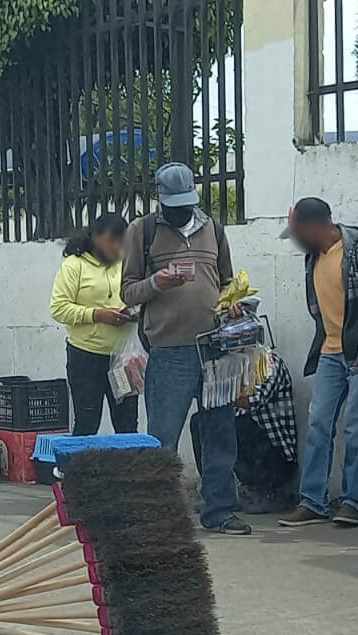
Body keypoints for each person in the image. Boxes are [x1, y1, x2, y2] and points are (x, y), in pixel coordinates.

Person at [120, 162, 250, 535]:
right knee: (163, 437)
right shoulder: (142, 231)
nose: (181, 211)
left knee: (220, 433)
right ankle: (159, 515)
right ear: (160, 200)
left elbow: (226, 282)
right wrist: (157, 282)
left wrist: (232, 302)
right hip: (169, 350)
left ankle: (220, 511)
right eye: (174, 204)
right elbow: (127, 291)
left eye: (186, 203)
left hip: (215, 350)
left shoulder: (214, 229)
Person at [276, 197, 358, 528]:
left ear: (314, 226)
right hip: (330, 352)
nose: (297, 240)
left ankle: (353, 502)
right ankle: (312, 501)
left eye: (299, 232)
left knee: (357, 427)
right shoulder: (312, 257)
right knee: (318, 424)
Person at [51, 213, 138, 435]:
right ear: (96, 237)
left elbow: (137, 292)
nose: (117, 246)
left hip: (123, 359)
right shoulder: (74, 266)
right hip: (86, 358)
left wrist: (134, 311)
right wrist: (97, 315)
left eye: (122, 241)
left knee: (127, 424)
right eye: (112, 240)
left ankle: (129, 469)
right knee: (87, 423)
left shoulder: (126, 263)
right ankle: (80, 470)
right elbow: (59, 308)